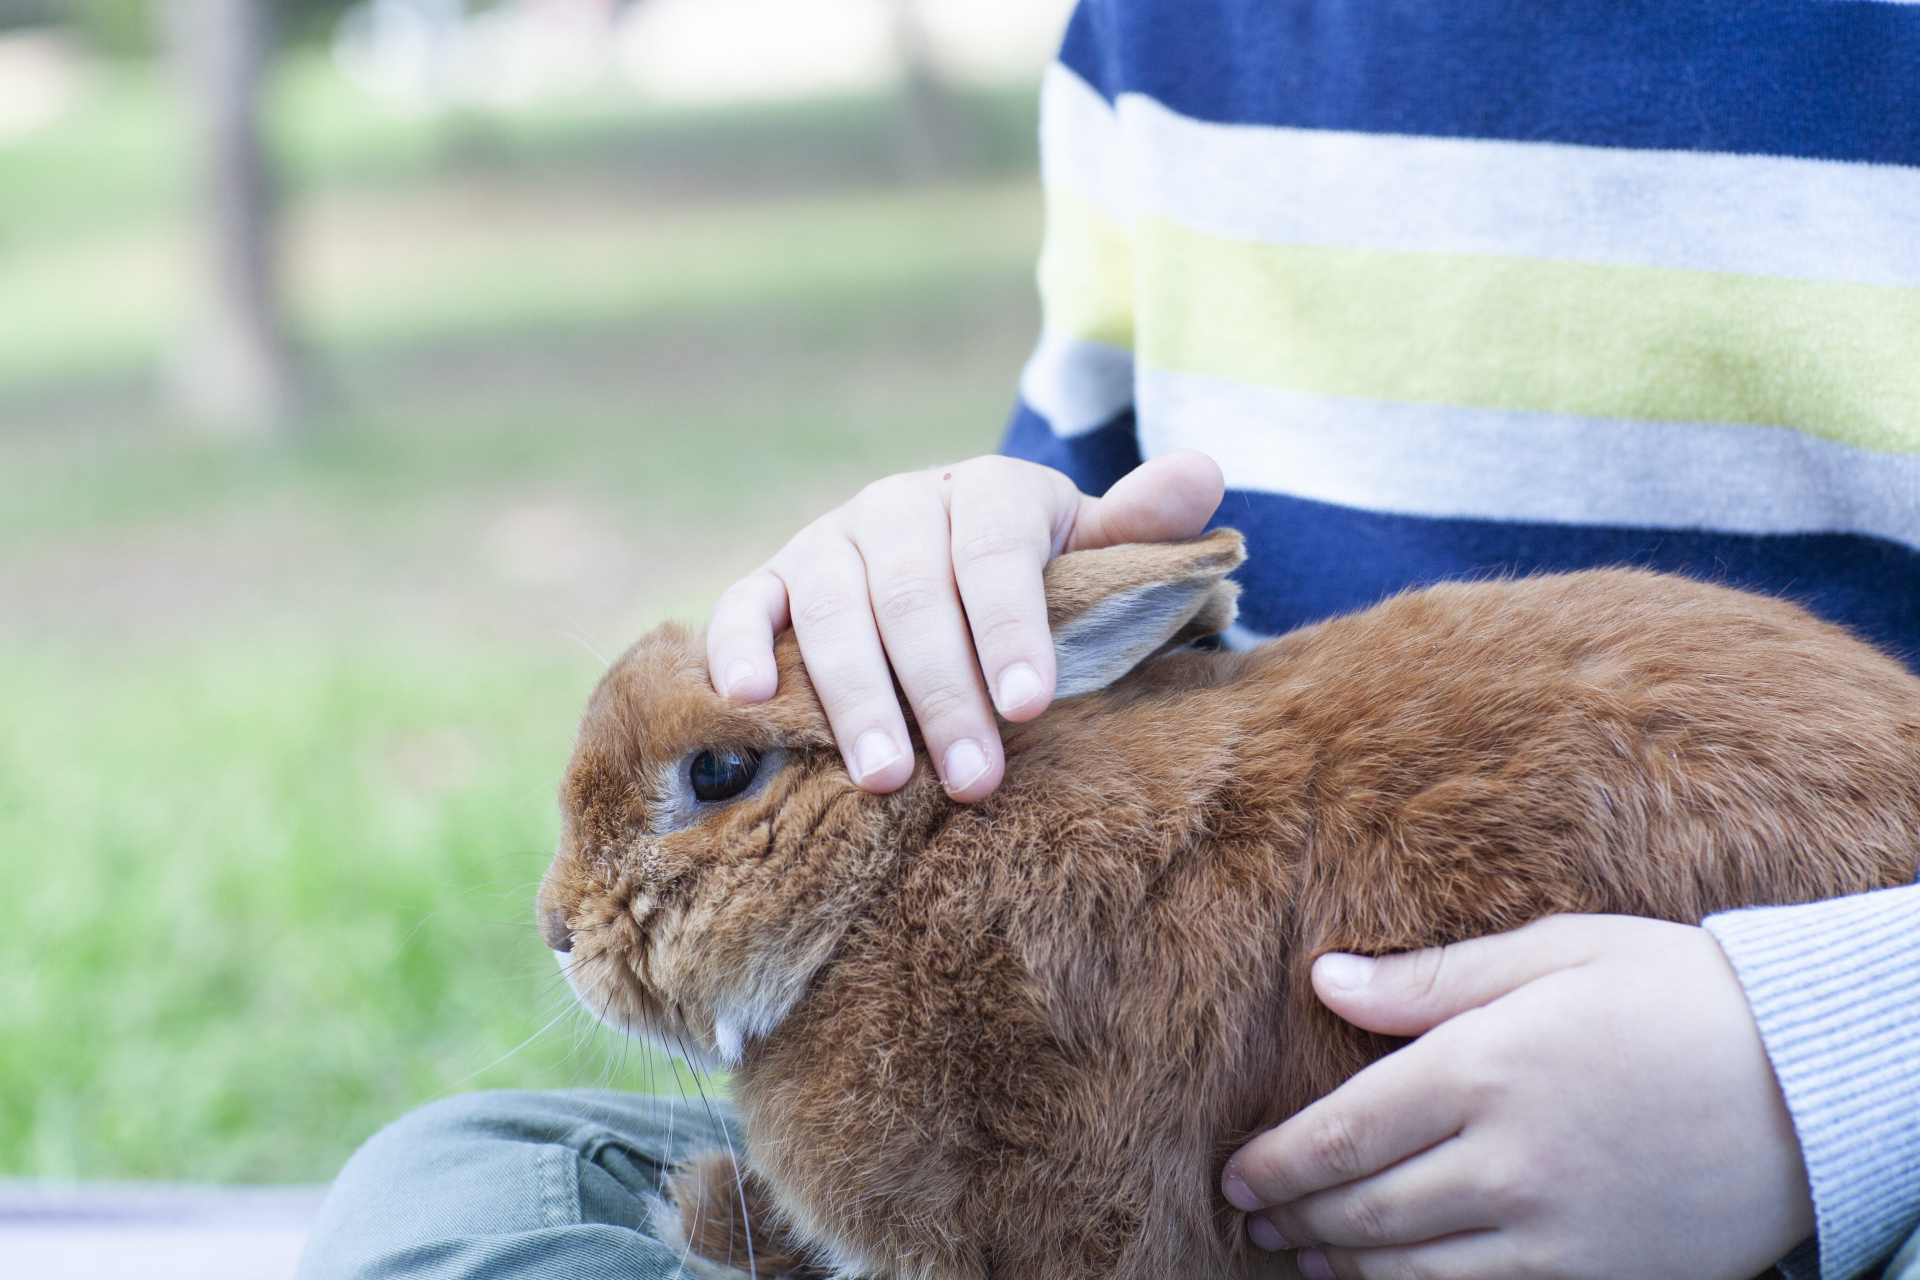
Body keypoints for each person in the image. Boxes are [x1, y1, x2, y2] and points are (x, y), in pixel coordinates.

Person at [299, 2, 1920, 1278]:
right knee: (449, 1195)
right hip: (1254, 1106)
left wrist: (1818, 1078)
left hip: (1829, 1099)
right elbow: (1085, 544)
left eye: (724, 782)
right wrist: (948, 559)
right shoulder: (1161, 31)